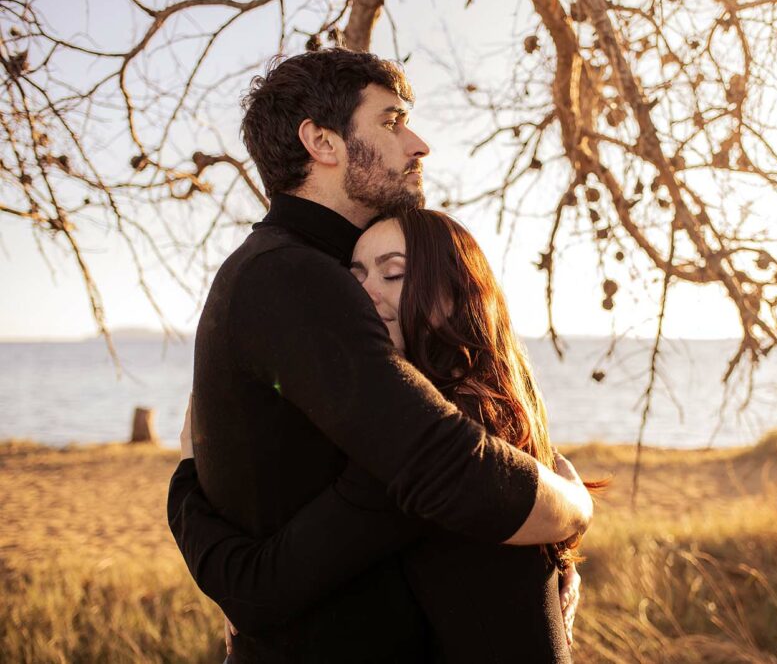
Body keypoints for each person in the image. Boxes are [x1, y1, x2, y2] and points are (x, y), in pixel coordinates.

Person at [167, 48, 593, 663]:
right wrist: (574, 507)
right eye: (392, 122)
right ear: (322, 142)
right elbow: (447, 468)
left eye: (392, 274)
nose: (418, 144)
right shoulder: (289, 275)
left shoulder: (293, 269)